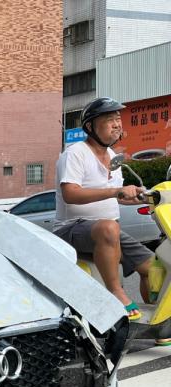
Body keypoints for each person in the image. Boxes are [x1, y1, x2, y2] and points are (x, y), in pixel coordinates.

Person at [52, 97, 155, 323]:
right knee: (109, 228)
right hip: (71, 228)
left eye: (118, 119)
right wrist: (115, 191)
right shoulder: (75, 153)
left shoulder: (112, 158)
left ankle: (156, 324)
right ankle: (115, 292)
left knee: (154, 268)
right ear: (90, 127)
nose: (117, 124)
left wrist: (145, 198)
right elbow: (71, 194)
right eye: (110, 120)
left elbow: (118, 197)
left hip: (109, 231)